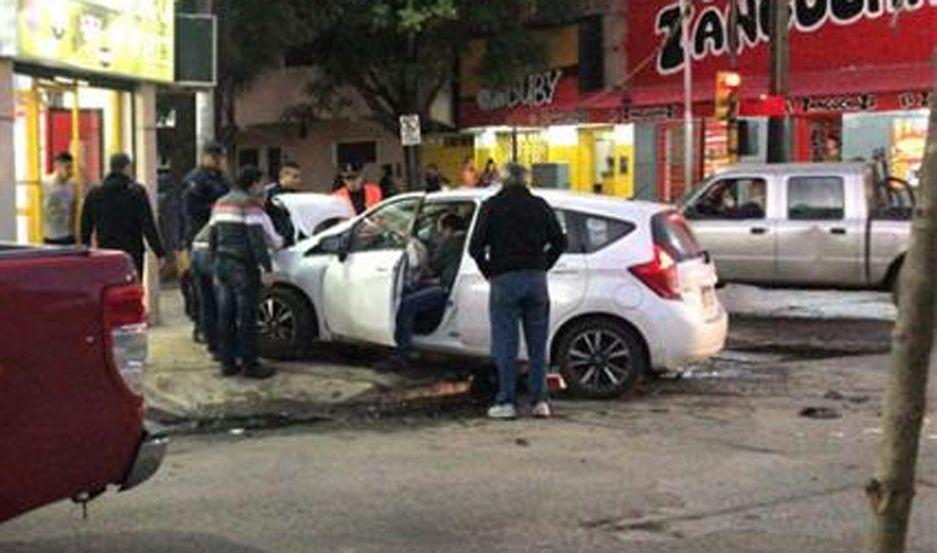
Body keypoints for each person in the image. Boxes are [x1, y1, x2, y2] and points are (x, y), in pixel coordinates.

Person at [469, 164, 567, 420]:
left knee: (506, 344)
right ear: (526, 181)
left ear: (502, 181)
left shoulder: (492, 206)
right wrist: (543, 264)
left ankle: (506, 401)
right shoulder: (540, 205)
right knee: (537, 343)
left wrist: (489, 271)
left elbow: (474, 247)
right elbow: (560, 241)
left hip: (504, 279)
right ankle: (540, 401)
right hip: (536, 279)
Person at [208, 165, 283, 379]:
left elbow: (213, 235)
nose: (263, 187)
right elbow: (256, 239)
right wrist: (266, 268)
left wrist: (215, 266)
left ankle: (227, 363)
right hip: (243, 266)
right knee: (247, 316)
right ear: (253, 183)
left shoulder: (221, 202)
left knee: (226, 316)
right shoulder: (249, 204)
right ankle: (250, 365)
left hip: (222, 264)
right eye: (261, 182)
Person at [376, 213, 467, 372]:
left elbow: (433, 268)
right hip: (451, 285)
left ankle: (403, 353)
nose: (439, 235)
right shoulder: (465, 241)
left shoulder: (449, 242)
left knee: (405, 304)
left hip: (445, 289)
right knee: (414, 290)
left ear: (448, 229)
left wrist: (422, 260)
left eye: (440, 231)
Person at [80, 153, 166, 277]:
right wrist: (159, 252)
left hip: (107, 252)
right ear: (127, 168)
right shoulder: (137, 192)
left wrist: (86, 250)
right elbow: (148, 225)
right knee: (132, 289)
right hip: (132, 253)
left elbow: (85, 225)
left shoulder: (95, 193)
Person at [182, 142, 231, 249]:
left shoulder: (223, 179)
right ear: (206, 157)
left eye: (221, 158)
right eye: (215, 157)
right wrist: (215, 207)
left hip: (221, 230)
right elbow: (191, 207)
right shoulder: (196, 179)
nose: (219, 161)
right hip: (200, 229)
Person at [42, 152, 77, 246]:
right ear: (57, 167)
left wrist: (74, 233)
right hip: (49, 236)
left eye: (71, 167)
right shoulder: (45, 183)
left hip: (67, 236)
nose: (70, 171)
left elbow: (73, 209)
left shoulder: (72, 185)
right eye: (67, 167)